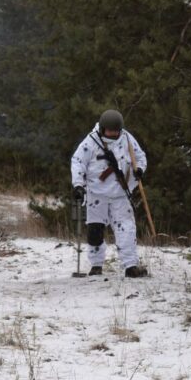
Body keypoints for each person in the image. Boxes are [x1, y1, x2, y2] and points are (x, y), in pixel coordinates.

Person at [70, 109, 148, 278]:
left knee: (126, 229)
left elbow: (140, 157)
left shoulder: (127, 138)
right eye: (110, 130)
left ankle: (130, 266)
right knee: (95, 230)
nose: (113, 133)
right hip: (96, 194)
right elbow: (77, 162)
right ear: (102, 128)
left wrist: (139, 169)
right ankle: (96, 265)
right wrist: (78, 185)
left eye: (116, 130)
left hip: (120, 193)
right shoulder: (90, 142)